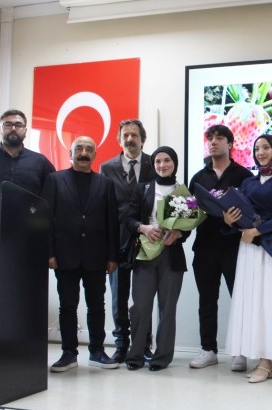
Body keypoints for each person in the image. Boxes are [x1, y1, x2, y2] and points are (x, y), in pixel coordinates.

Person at [224, 134, 272, 383]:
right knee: (252, 300)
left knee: (271, 300)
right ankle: (257, 357)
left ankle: (267, 363)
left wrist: (257, 231)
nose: (261, 152)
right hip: (249, 247)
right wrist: (230, 221)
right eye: (257, 148)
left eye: (266, 147)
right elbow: (240, 212)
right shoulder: (248, 182)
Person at [43, 136, 119, 373]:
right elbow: (46, 219)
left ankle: (97, 351)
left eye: (88, 149)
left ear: (94, 154)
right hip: (64, 255)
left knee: (97, 305)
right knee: (68, 305)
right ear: (71, 154)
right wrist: (49, 252)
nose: (84, 153)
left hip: (97, 255)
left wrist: (113, 256)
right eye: (79, 149)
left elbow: (112, 222)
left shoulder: (105, 184)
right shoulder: (55, 180)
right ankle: (68, 353)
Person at [188, 125, 253, 371]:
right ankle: (208, 350)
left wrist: (233, 221)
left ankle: (240, 351)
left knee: (239, 300)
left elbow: (251, 212)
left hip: (235, 248)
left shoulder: (244, 175)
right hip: (204, 247)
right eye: (210, 138)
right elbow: (190, 212)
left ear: (230, 144)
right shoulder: (198, 177)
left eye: (219, 138)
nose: (213, 142)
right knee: (207, 300)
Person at [123, 146, 190, 371]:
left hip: (172, 256)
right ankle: (136, 355)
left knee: (167, 309)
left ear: (175, 163)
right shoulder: (142, 188)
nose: (162, 165)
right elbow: (129, 219)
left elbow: (188, 228)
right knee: (140, 307)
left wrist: (178, 233)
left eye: (167, 160)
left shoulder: (183, 191)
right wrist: (144, 228)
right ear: (153, 165)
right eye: (158, 161)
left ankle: (162, 357)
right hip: (145, 254)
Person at [100, 119, 156, 363]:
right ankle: (121, 345)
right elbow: (104, 205)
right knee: (118, 297)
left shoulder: (155, 163)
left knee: (144, 297)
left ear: (143, 139)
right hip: (118, 240)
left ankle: (143, 344)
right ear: (119, 139)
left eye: (134, 135)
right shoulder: (106, 168)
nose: (130, 139)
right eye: (126, 135)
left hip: (148, 239)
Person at [0, 109, 55, 196]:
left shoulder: (41, 161)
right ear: (0, 129)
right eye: (8, 125)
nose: (13, 129)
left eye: (18, 125)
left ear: (25, 130)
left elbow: (52, 194)